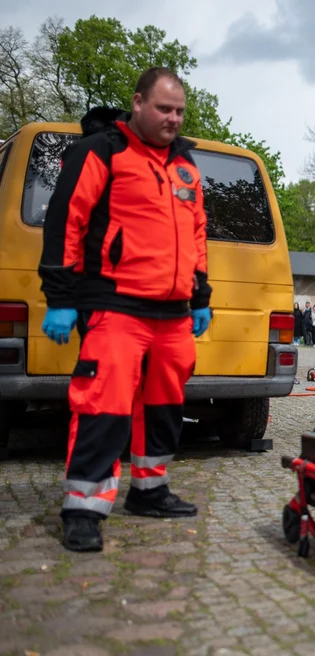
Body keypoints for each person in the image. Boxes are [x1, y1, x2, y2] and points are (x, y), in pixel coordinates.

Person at [38, 67, 207, 552]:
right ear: (137, 102)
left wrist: (201, 296)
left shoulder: (186, 164)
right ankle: (84, 509)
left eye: (179, 111)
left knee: (166, 405)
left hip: (173, 312)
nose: (173, 118)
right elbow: (65, 221)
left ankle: (150, 491)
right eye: (163, 108)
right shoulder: (101, 152)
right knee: (103, 405)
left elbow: (196, 234)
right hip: (116, 305)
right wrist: (62, 300)